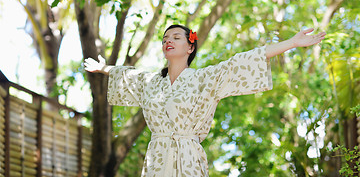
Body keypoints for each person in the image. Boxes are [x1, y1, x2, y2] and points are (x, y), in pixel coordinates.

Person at [84, 24, 326, 177]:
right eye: (165, 38)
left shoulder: (205, 78)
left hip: (188, 157)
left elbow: (243, 60)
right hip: (157, 157)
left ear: (190, 47)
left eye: (176, 37)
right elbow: (127, 74)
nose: (168, 40)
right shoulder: (151, 82)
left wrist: (292, 43)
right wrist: (104, 68)